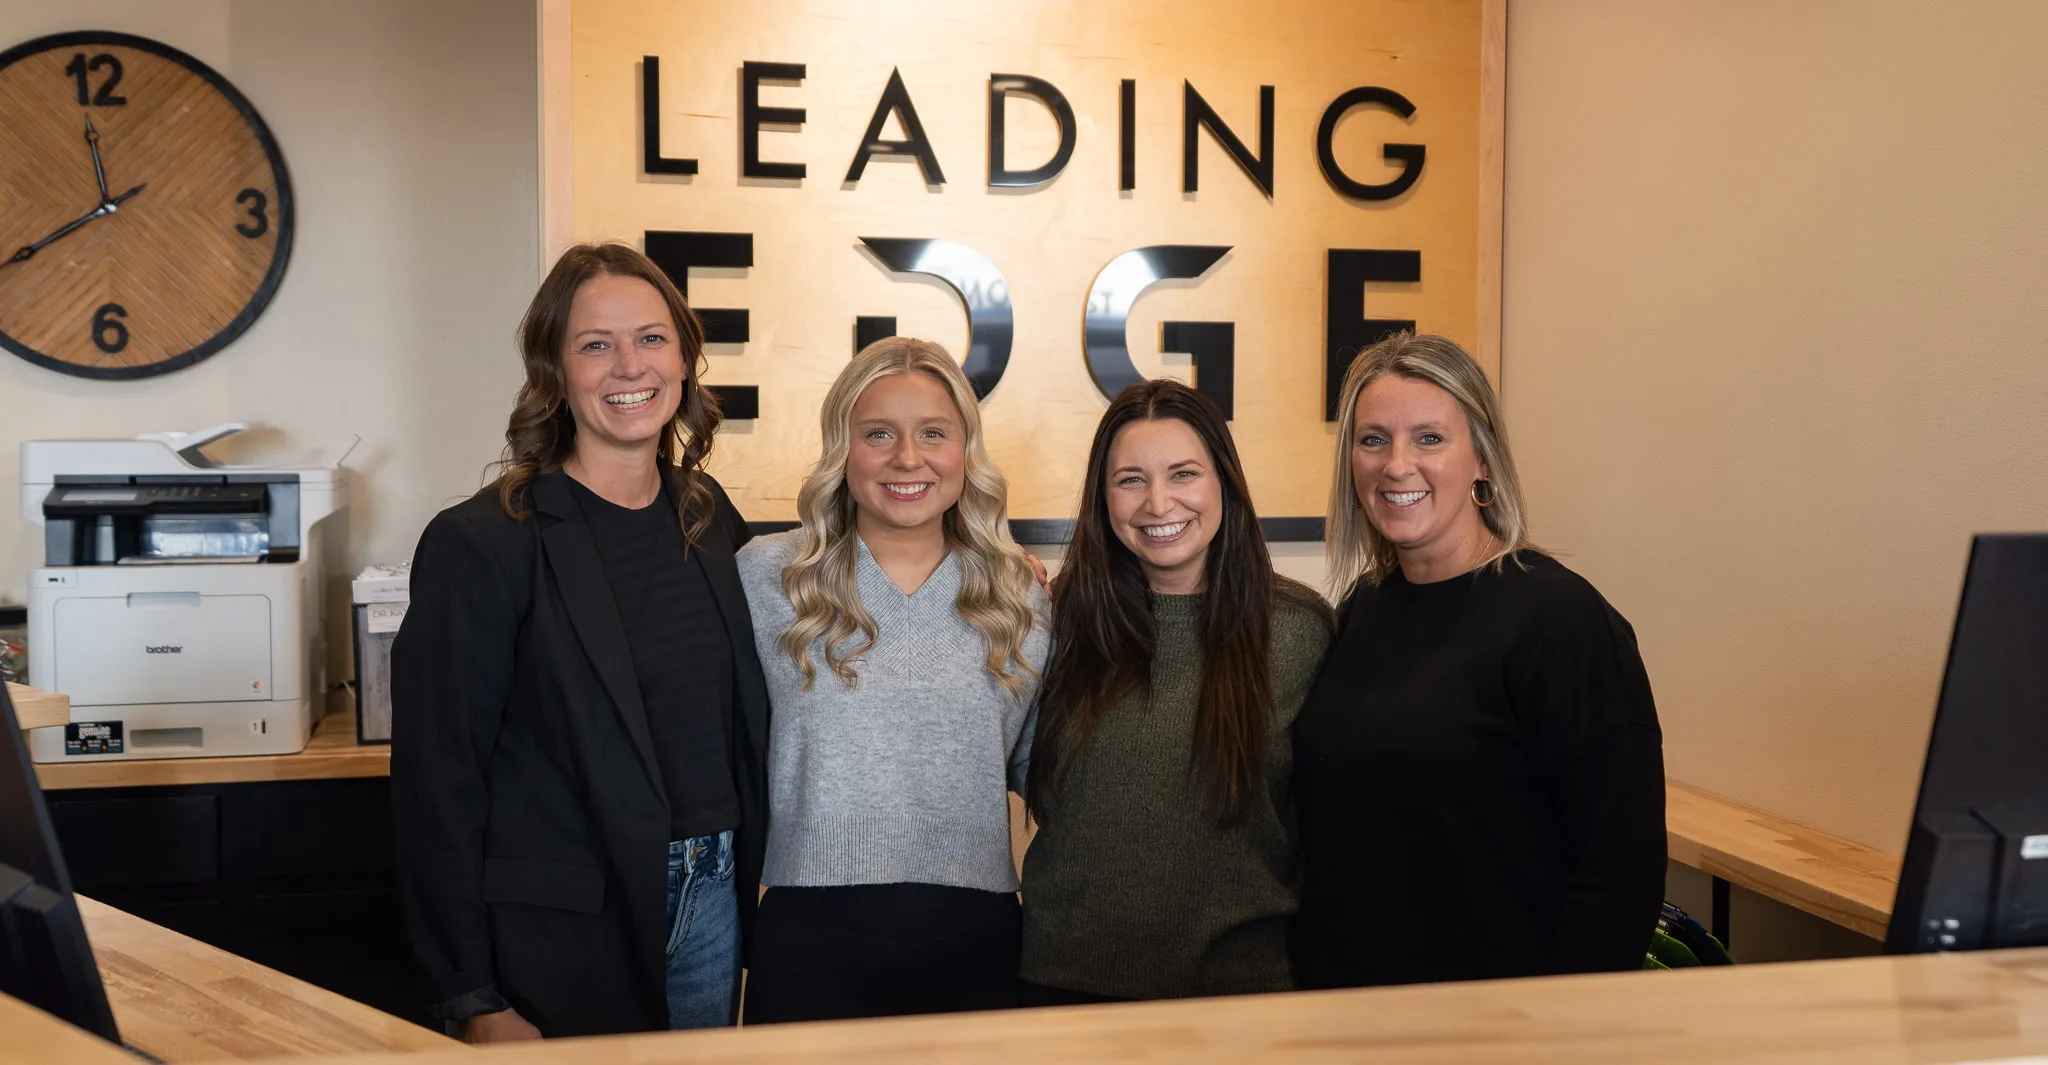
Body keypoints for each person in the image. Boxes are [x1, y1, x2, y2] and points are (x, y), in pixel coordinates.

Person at [390, 243, 769, 1040]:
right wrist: (472, 993)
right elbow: (437, 783)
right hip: (562, 926)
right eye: (596, 345)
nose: (630, 366)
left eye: (652, 338)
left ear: (685, 358)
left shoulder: (708, 515)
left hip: (713, 893)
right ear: (556, 372)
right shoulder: (484, 540)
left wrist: (978, 555)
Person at [1291, 332, 1666, 989]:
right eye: (1373, 439)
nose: (1396, 464)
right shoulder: (1364, 606)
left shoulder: (1561, 621)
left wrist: (1556, 1035)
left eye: (1430, 438)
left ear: (1483, 460)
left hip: (1497, 1027)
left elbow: (1618, 872)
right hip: (1351, 1017)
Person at [735, 337, 1049, 1024]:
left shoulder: (1020, 592)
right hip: (808, 939)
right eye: (878, 434)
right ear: (841, 448)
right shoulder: (765, 577)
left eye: (933, 433)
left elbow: (1049, 772)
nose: (909, 458)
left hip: (977, 942)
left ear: (965, 450)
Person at [1020, 379, 1332, 1004]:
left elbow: (1331, 830)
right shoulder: (1052, 622)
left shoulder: (1301, 629)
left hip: (1243, 998)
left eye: (1183, 473)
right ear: (1102, 497)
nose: (1158, 503)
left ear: (1224, 482)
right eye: (1130, 479)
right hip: (1062, 994)